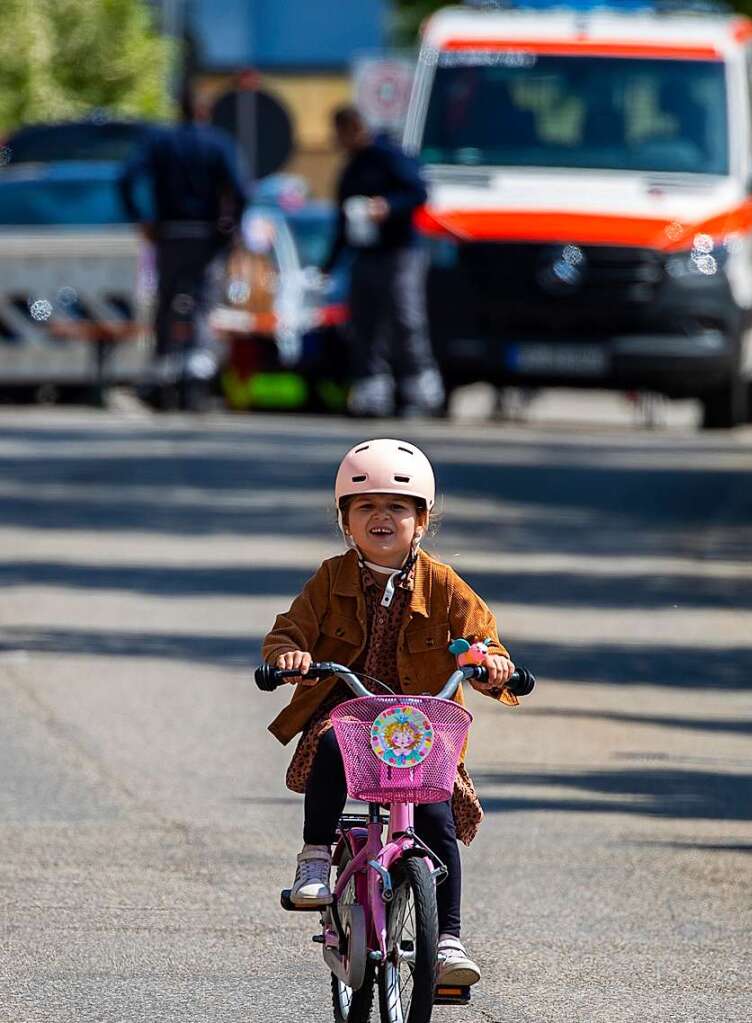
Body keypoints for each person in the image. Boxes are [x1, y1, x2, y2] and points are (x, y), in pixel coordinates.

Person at [262, 438, 518, 986]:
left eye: (397, 507)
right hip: (350, 713)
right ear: (345, 522)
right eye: (366, 507)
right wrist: (289, 655)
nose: (382, 517)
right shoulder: (330, 578)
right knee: (331, 741)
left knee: (437, 814)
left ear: (422, 521)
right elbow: (291, 628)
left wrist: (493, 663)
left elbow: (481, 639)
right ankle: (315, 853)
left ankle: (446, 939)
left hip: (419, 726)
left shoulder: (445, 584)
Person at [119, 84, 247, 411]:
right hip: (206, 235)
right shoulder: (219, 144)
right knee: (203, 303)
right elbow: (241, 188)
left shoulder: (162, 142)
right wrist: (231, 224)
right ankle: (197, 375)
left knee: (167, 302)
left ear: (180, 110)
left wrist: (141, 218)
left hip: (170, 233)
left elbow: (126, 178)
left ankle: (163, 372)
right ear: (205, 111)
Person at [322, 106, 444, 418]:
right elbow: (342, 223)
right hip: (366, 253)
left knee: (406, 317)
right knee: (365, 321)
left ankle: (419, 388)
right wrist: (329, 265)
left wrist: (387, 207)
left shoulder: (390, 156)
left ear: (353, 128)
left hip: (400, 251)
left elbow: (418, 192)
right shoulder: (352, 169)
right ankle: (372, 390)